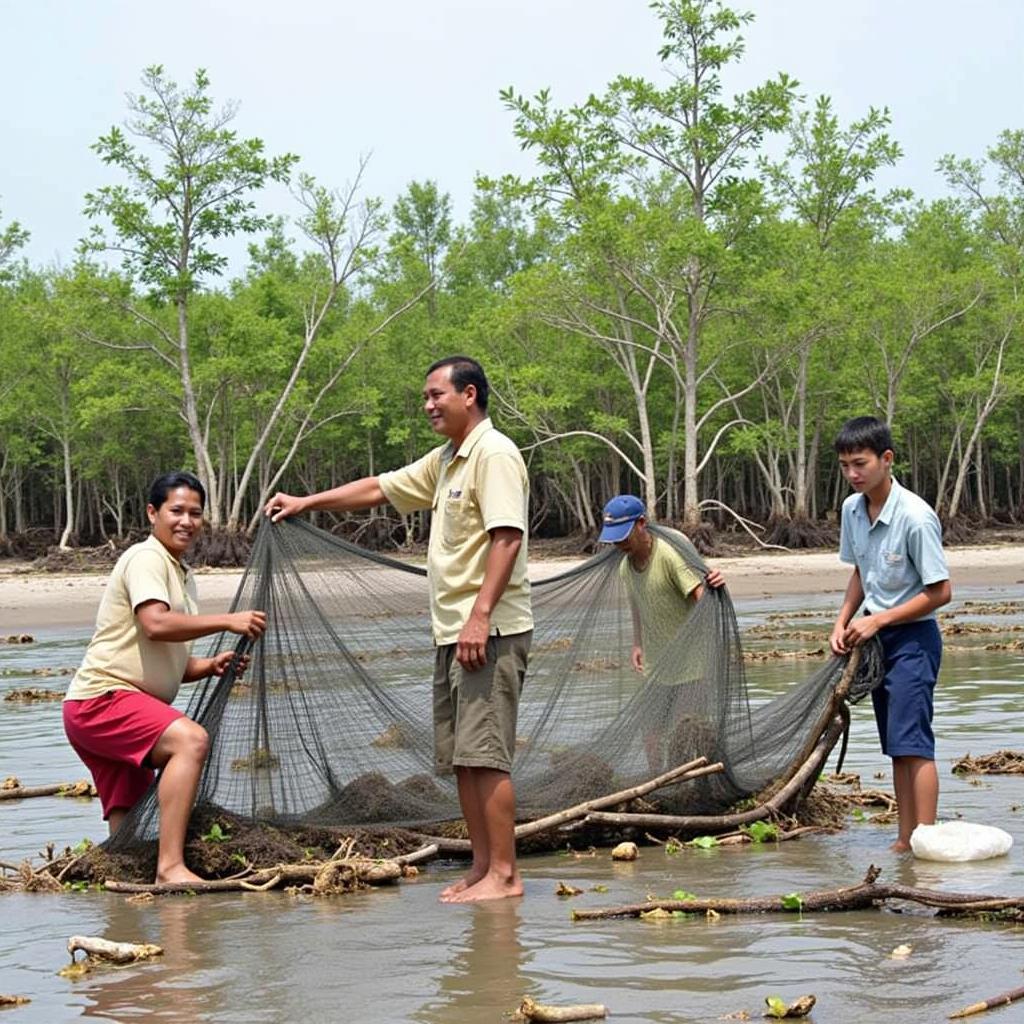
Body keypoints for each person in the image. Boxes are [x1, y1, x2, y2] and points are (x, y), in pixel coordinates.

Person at [265, 355, 531, 903]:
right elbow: (379, 489)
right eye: (425, 397)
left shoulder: (495, 454)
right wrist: (305, 503)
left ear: (471, 395)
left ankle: (506, 875)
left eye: (437, 395)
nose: (428, 405)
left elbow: (507, 538)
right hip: (452, 631)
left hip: (490, 629)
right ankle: (483, 868)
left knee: (487, 755)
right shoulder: (448, 460)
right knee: (461, 759)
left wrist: (480, 616)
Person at [63, 471, 267, 884]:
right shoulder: (146, 558)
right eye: (176, 511)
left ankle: (128, 904)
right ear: (153, 513)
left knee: (127, 827)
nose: (186, 521)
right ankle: (170, 868)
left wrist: (208, 666)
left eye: (195, 513)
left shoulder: (180, 572)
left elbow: (166, 658)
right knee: (191, 740)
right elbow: (156, 624)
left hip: (117, 703)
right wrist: (228, 620)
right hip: (102, 700)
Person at [828, 417, 951, 853]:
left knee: (915, 744)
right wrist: (842, 620)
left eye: (860, 464)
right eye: (844, 466)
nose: (852, 474)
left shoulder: (916, 517)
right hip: (877, 640)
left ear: (886, 459)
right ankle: (905, 839)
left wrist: (877, 621)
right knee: (896, 747)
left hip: (913, 639)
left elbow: (941, 592)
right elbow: (862, 569)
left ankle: (928, 841)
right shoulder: (852, 509)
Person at [597, 494, 725, 770]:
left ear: (641, 523)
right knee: (651, 732)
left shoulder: (668, 555)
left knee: (684, 731)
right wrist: (637, 644)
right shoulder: (625, 566)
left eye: (623, 536)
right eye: (614, 538)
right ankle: (657, 782)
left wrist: (708, 647)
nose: (619, 544)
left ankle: (688, 783)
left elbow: (701, 599)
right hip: (657, 665)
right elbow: (638, 604)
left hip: (692, 667)